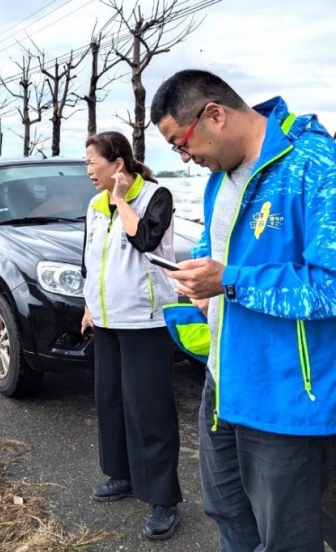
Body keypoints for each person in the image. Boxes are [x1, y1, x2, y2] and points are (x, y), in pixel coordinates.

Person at [151, 69, 336, 551]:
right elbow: (229, 267)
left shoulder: (314, 165)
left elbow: (331, 286)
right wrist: (203, 287)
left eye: (181, 144)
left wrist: (228, 281)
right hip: (223, 382)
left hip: (285, 395)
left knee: (286, 538)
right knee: (228, 514)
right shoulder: (221, 178)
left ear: (214, 114)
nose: (186, 158)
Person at [81, 131, 182, 540]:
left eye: (93, 162)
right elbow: (89, 257)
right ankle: (121, 475)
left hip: (145, 321)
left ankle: (163, 499)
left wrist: (121, 200)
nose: (88, 169)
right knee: (111, 403)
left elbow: (144, 240)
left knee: (150, 411)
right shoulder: (92, 205)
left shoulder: (156, 196)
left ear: (117, 164)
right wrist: (88, 303)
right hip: (106, 320)